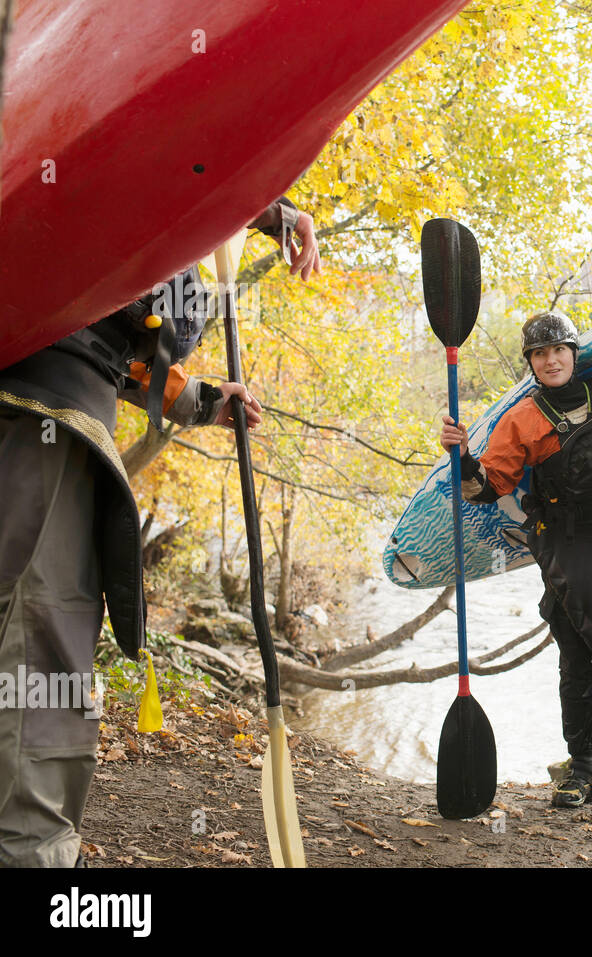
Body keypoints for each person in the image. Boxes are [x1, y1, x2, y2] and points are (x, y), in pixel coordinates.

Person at [0, 197, 320, 867]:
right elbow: (140, 149)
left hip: (53, 398)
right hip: (34, 411)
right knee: (40, 646)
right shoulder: (78, 182)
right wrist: (267, 206)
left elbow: (115, 352)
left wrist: (203, 399)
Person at [440, 311, 592, 818]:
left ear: (574, 356)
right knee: (576, 661)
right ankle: (581, 772)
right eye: (540, 353)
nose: (551, 360)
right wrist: (464, 457)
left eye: (559, 351)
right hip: (565, 543)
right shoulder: (523, 420)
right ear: (531, 363)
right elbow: (487, 489)